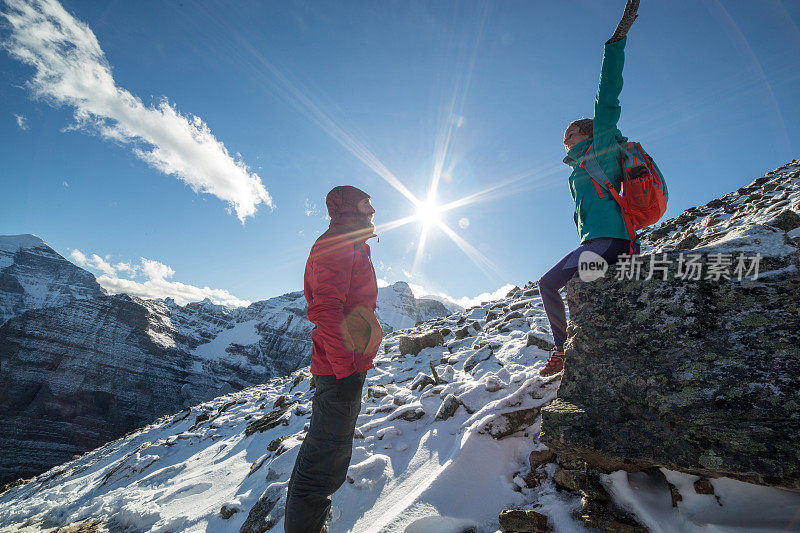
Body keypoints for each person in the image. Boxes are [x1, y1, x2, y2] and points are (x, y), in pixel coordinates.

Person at [538, 0, 641, 377]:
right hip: (601, 242)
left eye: (570, 130)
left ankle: (562, 352)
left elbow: (607, 95)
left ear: (586, 131)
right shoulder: (577, 166)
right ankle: (585, 352)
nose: (564, 135)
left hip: (611, 241)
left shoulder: (602, 143)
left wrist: (616, 42)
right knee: (586, 295)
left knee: (549, 283)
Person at [285, 185, 383, 533]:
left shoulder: (353, 244)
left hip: (346, 365)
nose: (372, 211)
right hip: (339, 369)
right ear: (347, 209)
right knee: (322, 465)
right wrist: (345, 368)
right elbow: (325, 309)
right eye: (366, 204)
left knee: (324, 457)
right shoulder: (337, 244)